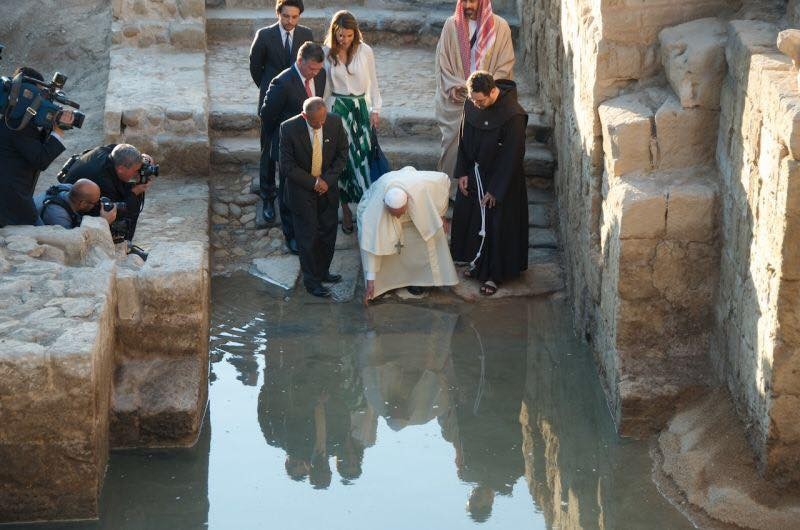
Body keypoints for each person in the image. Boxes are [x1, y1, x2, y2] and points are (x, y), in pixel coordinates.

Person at [450, 72, 528, 296]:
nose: (476, 104)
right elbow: (464, 138)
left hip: (503, 180)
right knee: (474, 220)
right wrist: (462, 171)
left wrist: (496, 190)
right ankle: (477, 263)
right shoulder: (472, 103)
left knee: (496, 225)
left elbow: (513, 155)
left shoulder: (513, 114)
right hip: (475, 173)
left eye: (480, 101)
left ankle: (495, 274)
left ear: (493, 91)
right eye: (473, 100)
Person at [250, 0, 314, 225]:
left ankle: (291, 198)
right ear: (278, 13)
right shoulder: (264, 35)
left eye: (294, 17)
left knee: (295, 153)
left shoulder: (306, 34)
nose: (290, 21)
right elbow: (255, 67)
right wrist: (271, 89)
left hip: (297, 106)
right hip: (272, 103)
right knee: (268, 151)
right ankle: (268, 197)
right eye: (286, 16)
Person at [434, 0, 515, 178]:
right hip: (457, 99)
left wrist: (484, 89)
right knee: (452, 148)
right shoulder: (451, 25)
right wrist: (453, 85)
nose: (468, 6)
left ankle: (478, 194)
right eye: (464, 1)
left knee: (483, 148)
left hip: (485, 99)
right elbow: (442, 62)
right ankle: (451, 191)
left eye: (472, 1)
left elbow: (505, 65)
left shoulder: (500, 27)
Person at [260, 42, 327, 252]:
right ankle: (291, 235)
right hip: (289, 145)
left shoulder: (321, 75)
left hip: (313, 142)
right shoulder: (282, 82)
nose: (315, 73)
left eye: (318, 69)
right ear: (300, 61)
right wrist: (284, 138)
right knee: (288, 191)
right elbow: (267, 116)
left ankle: (311, 226)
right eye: (311, 69)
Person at [357, 167, 459, 304]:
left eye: (400, 212)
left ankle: (421, 280)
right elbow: (372, 248)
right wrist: (370, 281)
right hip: (375, 209)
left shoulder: (423, 185)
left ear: (408, 200)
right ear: (385, 205)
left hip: (416, 202)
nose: (398, 216)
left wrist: (442, 213)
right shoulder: (374, 214)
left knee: (432, 230)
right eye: (395, 214)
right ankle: (382, 286)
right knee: (380, 243)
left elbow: (444, 181)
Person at [279, 97, 348, 298]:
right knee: (307, 236)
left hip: (328, 188)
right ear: (304, 116)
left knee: (328, 232)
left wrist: (326, 180)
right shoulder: (288, 128)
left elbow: (342, 153)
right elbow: (287, 166)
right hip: (302, 191)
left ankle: (323, 271)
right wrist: (314, 183)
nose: (320, 125)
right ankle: (312, 282)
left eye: (322, 120)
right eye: (314, 122)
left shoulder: (334, 122)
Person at [323, 10, 382, 234]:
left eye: (348, 35)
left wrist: (376, 109)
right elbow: (326, 88)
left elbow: (374, 83)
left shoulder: (365, 51)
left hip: (360, 110)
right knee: (342, 163)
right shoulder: (327, 52)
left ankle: (366, 210)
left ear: (355, 33)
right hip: (337, 111)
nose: (344, 40)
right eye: (340, 35)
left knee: (363, 160)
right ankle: (345, 210)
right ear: (334, 33)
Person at [0, 67, 71, 228]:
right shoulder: (17, 124)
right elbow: (41, 159)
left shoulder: (10, 117)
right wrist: (58, 132)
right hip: (11, 201)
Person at [61, 143, 155, 242]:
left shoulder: (108, 152)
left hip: (80, 188)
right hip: (76, 207)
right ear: (121, 169)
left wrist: (142, 158)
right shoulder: (103, 180)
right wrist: (135, 191)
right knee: (129, 202)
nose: (137, 173)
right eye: (136, 170)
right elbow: (114, 210)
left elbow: (121, 148)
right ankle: (124, 243)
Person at [34, 179, 117, 229]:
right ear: (83, 204)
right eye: (95, 203)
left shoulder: (68, 188)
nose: (98, 205)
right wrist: (103, 222)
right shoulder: (59, 217)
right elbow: (72, 243)